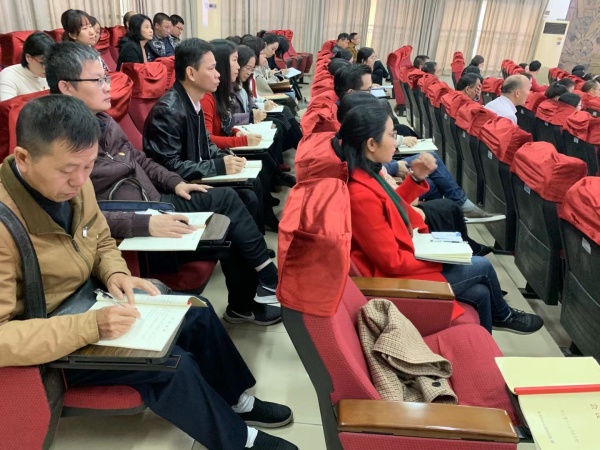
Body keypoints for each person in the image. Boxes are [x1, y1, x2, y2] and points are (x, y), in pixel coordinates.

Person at [0, 94, 298, 450]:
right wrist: (91, 326)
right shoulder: (5, 224)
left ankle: (236, 401)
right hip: (55, 342)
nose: (80, 180)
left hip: (92, 303)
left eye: (89, 166)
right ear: (24, 158)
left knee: (197, 312)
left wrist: (115, 274)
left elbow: (101, 240)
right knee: (170, 365)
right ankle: (237, 441)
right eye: (68, 171)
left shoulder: (76, 186)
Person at [46, 41, 282, 324]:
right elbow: (79, 216)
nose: (108, 87)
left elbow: (140, 159)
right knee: (230, 209)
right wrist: (144, 222)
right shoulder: (58, 143)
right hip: (136, 219)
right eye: (98, 81)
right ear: (66, 87)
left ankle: (253, 294)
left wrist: (175, 183)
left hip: (152, 201)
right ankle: (263, 284)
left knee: (237, 200)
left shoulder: (103, 120)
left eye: (106, 78)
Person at [334, 103, 544, 334]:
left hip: (399, 263)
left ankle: (486, 339)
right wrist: (444, 260)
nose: (396, 141)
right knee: (483, 266)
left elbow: (391, 207)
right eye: (392, 135)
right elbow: (392, 263)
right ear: (371, 144)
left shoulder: (368, 174)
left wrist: (416, 178)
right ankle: (504, 316)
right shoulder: (360, 194)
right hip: (389, 279)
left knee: (481, 293)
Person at [143, 38, 267, 236]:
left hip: (196, 173)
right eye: (211, 68)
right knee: (243, 196)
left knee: (252, 184)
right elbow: (168, 167)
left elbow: (206, 143)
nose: (218, 74)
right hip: (179, 185)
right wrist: (218, 166)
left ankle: (255, 246)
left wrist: (225, 157)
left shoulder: (194, 101)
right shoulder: (167, 110)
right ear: (191, 73)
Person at [199, 39, 292, 230]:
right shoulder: (207, 96)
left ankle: (267, 203)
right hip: (215, 156)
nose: (238, 66)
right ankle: (265, 214)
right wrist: (241, 139)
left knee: (265, 156)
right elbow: (208, 138)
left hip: (222, 148)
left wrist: (238, 131)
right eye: (234, 61)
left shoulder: (220, 91)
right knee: (257, 172)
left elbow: (225, 124)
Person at [0, 32, 54, 101]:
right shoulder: (8, 76)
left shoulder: (54, 70)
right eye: (43, 63)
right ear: (28, 57)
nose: (47, 67)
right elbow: (7, 106)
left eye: (50, 62)